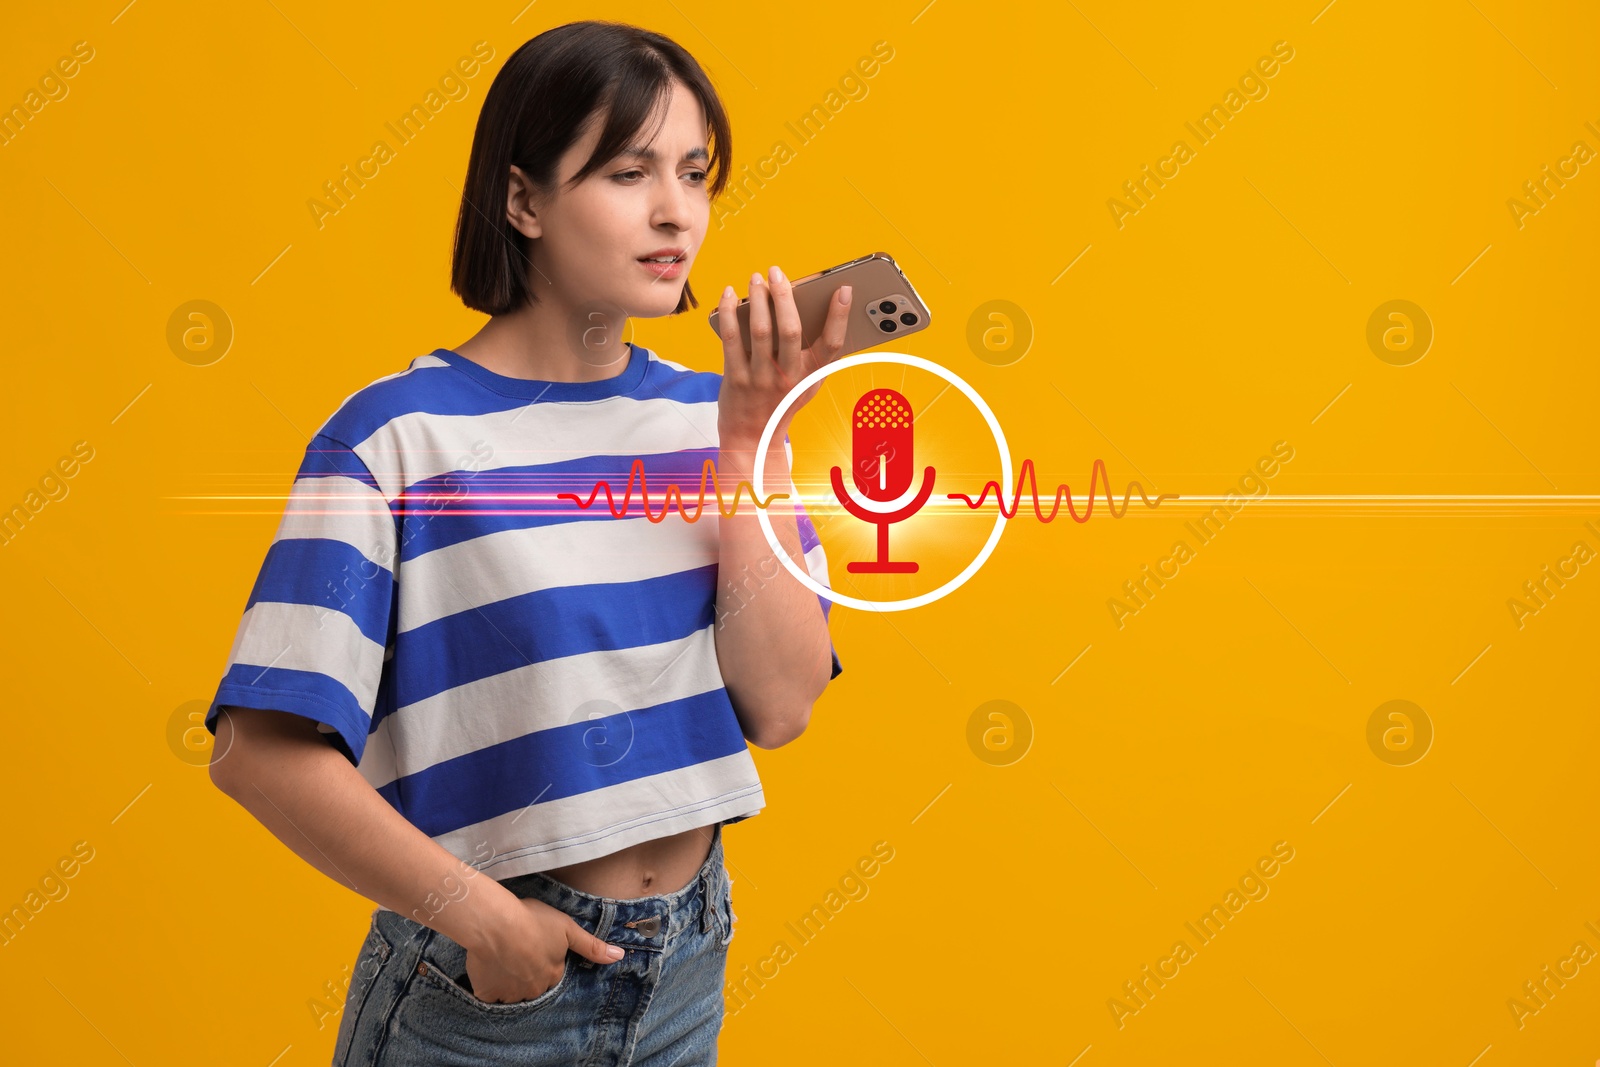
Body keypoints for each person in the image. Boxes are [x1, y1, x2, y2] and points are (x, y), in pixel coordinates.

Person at [204, 19, 847, 1065]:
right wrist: (487, 920)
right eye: (628, 170)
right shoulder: (396, 438)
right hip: (486, 995)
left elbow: (779, 703)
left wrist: (745, 445)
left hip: (686, 963)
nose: (675, 210)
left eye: (694, 173)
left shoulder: (718, 419)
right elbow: (257, 751)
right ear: (522, 200)